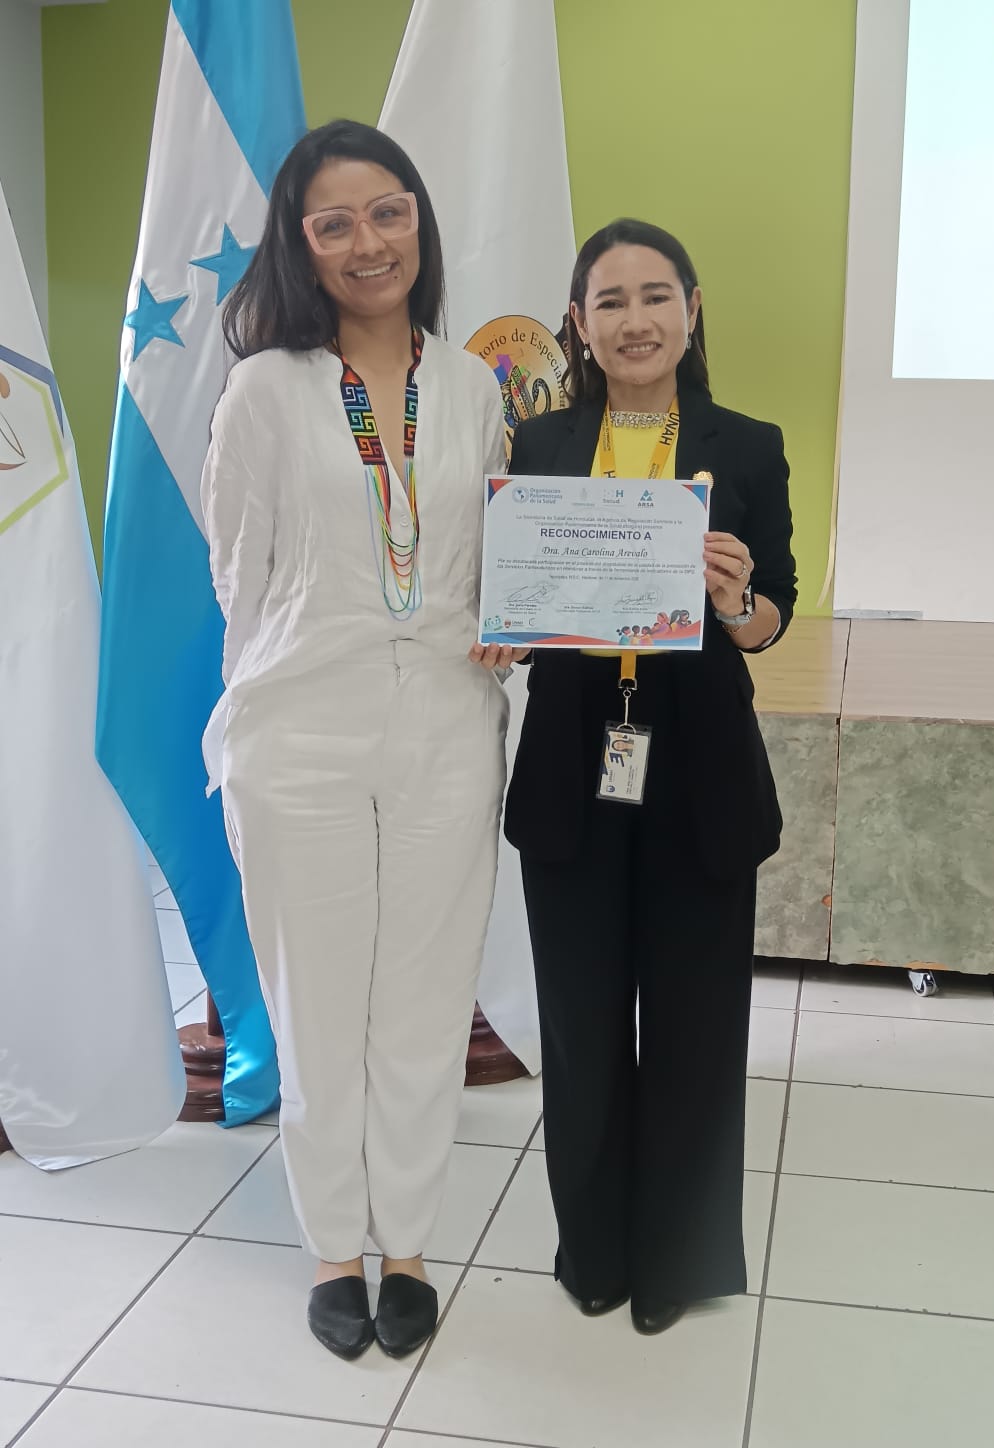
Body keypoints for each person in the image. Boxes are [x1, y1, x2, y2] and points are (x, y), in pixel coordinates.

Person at [201, 120, 513, 1362]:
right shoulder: (266, 388)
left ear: (419, 220)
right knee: (319, 1002)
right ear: (302, 243)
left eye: (388, 212)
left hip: (448, 722)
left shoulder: (474, 384)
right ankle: (338, 1243)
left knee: (426, 999)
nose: (367, 242)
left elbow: (492, 556)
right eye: (333, 223)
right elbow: (241, 575)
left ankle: (410, 1238)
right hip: (300, 730)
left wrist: (506, 627)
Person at [503, 219, 797, 1335]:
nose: (635, 320)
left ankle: (677, 1258)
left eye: (656, 295)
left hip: (699, 759)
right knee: (580, 1027)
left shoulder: (747, 444)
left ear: (692, 308)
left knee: (694, 1027)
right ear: (578, 323)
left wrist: (737, 601)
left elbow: (774, 614)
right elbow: (519, 601)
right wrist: (505, 626)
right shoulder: (538, 444)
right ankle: (594, 1249)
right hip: (574, 752)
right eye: (610, 300)